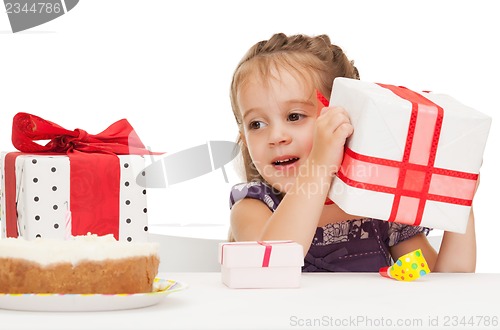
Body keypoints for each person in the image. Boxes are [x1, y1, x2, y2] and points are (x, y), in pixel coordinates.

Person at [228, 32, 477, 272]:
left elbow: (446, 285)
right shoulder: (253, 207)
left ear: (347, 121)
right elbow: (271, 267)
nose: (276, 137)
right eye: (256, 124)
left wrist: (462, 203)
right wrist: (319, 166)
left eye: (295, 116)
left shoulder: (376, 208)